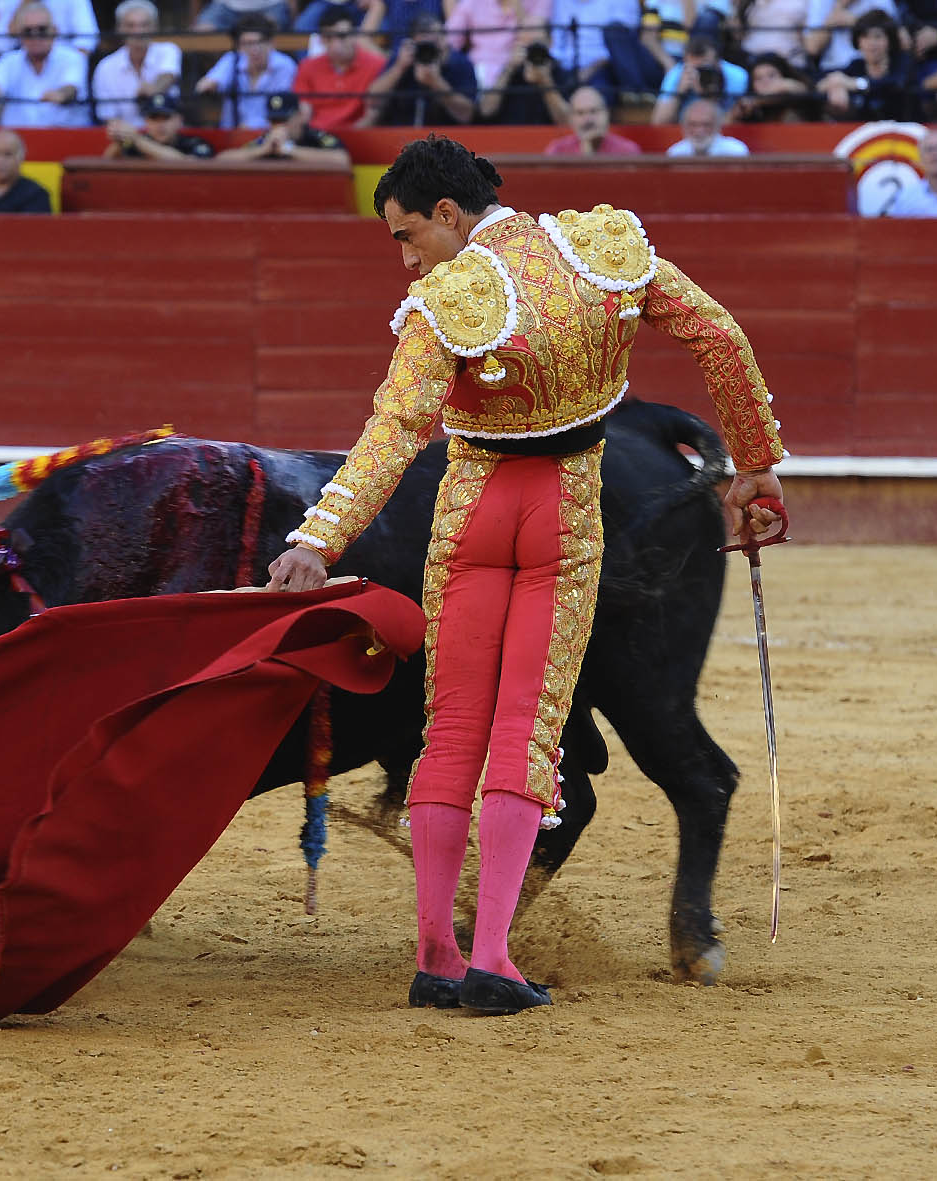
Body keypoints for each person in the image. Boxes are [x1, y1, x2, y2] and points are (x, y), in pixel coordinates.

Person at [265, 136, 784, 1016]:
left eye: (404, 237)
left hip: (471, 509)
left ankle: (438, 952)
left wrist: (319, 536)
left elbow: (393, 432)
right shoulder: (605, 253)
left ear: (448, 214)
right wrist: (757, 463)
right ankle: (492, 958)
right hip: (564, 513)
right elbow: (719, 335)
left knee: (451, 728)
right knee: (526, 732)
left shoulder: (448, 298)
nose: (405, 258)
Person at [0, 2, 90, 127]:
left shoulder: (72, 58)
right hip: (18, 140)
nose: (35, 36)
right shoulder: (9, 60)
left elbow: (71, 88)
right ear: (20, 35)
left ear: (55, 30)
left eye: (42, 30)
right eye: (28, 31)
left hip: (62, 137)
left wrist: (60, 95)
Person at [363, 13, 477, 126]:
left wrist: (436, 83)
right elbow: (372, 101)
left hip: (446, 137)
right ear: (413, 43)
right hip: (401, 134)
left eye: (435, 42)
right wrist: (399, 68)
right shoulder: (403, 59)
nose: (429, 50)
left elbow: (467, 115)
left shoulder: (459, 62)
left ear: (444, 40)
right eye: (424, 45)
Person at [197, 13, 300, 130]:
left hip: (270, 135)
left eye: (260, 42)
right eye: (247, 44)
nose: (255, 49)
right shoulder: (233, 60)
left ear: (271, 43)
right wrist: (212, 86)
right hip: (232, 136)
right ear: (239, 46)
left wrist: (248, 128)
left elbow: (282, 110)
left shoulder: (284, 66)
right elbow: (205, 85)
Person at [549, 0, 662, 102]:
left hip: (605, 68)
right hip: (566, 68)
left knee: (599, 94)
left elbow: (624, 50)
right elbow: (557, 45)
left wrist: (589, 70)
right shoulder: (560, 2)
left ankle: (636, 95)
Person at [292, 10, 386, 130]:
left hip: (358, 137)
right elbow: (304, 115)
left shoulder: (377, 65)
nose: (336, 45)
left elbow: (372, 115)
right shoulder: (307, 66)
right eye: (329, 38)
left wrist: (348, 140)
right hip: (316, 138)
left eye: (342, 36)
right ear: (321, 40)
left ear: (354, 35)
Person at [816, 9, 916, 121]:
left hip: (906, 130)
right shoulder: (857, 65)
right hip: (867, 134)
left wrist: (855, 84)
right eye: (865, 36)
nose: (871, 43)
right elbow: (825, 79)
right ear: (858, 41)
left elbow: (895, 84)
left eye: (877, 37)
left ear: (890, 41)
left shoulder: (902, 61)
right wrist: (835, 86)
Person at [90, 0, 180, 126]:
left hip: (163, 137)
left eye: (144, 25)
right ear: (119, 28)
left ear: (155, 27)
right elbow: (108, 117)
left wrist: (153, 90)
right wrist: (131, 138)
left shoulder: (168, 50)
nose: (138, 31)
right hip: (125, 139)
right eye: (130, 25)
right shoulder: (106, 67)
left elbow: (168, 76)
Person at [216, 90, 350, 163]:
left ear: (300, 115)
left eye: (285, 119)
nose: (279, 125)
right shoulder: (268, 141)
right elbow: (221, 160)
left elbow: (341, 159)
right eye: (274, 120)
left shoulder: (316, 137)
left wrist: (288, 150)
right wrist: (261, 151)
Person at [446, 0, 551, 92]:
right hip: (478, 70)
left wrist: (516, 5)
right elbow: (450, 39)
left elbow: (536, 34)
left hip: (519, 70)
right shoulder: (473, 2)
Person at [649, 34, 747, 123]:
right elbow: (659, 122)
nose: (698, 74)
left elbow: (732, 122)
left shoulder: (737, 77)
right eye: (694, 69)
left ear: (718, 63)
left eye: (704, 69)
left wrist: (706, 95)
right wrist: (678, 93)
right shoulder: (677, 74)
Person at [476, 38, 575, 124]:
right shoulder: (511, 71)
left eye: (537, 41)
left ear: (550, 42)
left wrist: (545, 81)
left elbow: (567, 122)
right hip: (509, 138)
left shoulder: (560, 73)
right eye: (526, 41)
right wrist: (508, 69)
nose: (532, 51)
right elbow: (486, 111)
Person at [102, 90, 216, 158]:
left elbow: (188, 164)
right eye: (154, 118)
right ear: (146, 121)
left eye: (166, 118)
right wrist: (119, 140)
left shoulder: (194, 143)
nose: (160, 125)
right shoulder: (135, 143)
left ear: (179, 120)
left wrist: (136, 139)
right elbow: (106, 165)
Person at [801, 0, 896, 77]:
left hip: (865, 68)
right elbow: (812, 48)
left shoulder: (881, 2)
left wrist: (856, 23)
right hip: (831, 69)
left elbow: (899, 38)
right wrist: (838, 7)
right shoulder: (821, 2)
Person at [543, 84, 642, 153]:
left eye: (594, 111)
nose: (588, 119)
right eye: (580, 113)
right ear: (571, 118)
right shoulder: (558, 150)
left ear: (607, 114)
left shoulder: (627, 151)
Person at [731, 50, 814, 121]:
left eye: (771, 75)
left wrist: (758, 100)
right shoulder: (747, 109)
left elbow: (800, 89)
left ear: (784, 75)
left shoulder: (798, 93)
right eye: (758, 78)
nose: (766, 82)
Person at [666, 95, 749, 153]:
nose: (699, 131)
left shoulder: (735, 151)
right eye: (693, 125)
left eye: (706, 125)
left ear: (717, 126)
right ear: (684, 126)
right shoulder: (676, 153)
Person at [193, 0, 293, 33]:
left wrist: (294, 19)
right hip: (226, 6)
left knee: (263, 35)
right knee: (200, 32)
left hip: (271, 5)